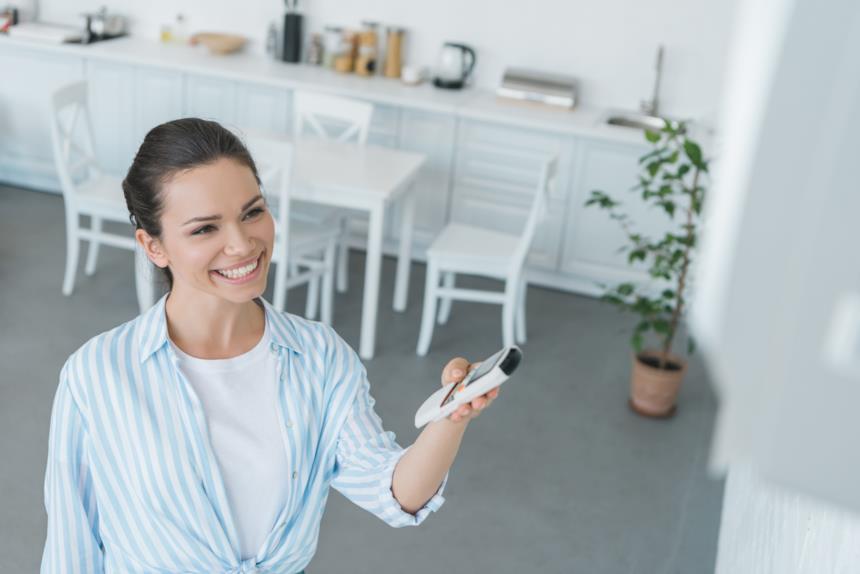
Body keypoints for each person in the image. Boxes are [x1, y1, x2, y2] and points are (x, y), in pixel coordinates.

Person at [41, 118, 500, 574]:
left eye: (252, 212)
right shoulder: (97, 374)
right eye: (205, 229)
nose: (242, 244)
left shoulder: (320, 356)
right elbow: (72, 546)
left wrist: (451, 416)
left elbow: (394, 492)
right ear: (153, 246)